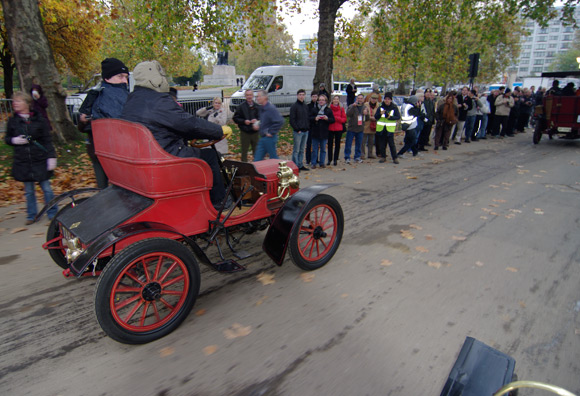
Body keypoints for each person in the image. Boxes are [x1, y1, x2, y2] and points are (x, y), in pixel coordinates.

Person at [121, 60, 230, 210]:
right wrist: (219, 130)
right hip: (164, 156)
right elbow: (188, 123)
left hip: (146, 153)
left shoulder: (132, 100)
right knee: (211, 156)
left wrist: (189, 136)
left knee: (199, 153)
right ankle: (219, 202)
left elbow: (162, 127)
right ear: (155, 78)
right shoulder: (158, 100)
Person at [5, 92, 58, 224]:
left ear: (27, 103)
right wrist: (14, 140)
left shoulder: (39, 119)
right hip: (23, 161)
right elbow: (7, 138)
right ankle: (31, 215)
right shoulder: (13, 121)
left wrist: (51, 157)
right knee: (29, 191)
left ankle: (53, 212)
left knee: (46, 188)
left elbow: (47, 139)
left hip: (39, 158)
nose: (15, 104)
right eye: (14, 101)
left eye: (18, 101)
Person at [78, 57, 129, 189]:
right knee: (115, 189)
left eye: (126, 77)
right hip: (106, 150)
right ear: (107, 78)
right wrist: (84, 121)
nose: (125, 81)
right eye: (120, 76)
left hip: (104, 150)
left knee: (107, 189)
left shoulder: (96, 93)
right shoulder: (101, 95)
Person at [253, 90, 284, 161]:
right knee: (257, 159)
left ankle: (280, 170)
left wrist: (271, 131)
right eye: (257, 96)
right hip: (263, 138)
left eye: (258, 96)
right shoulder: (262, 108)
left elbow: (280, 121)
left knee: (273, 159)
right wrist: (258, 124)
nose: (257, 98)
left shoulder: (270, 108)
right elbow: (266, 121)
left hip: (270, 138)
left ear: (265, 97)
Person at [233, 89, 260, 162]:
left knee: (256, 151)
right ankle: (244, 167)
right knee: (244, 151)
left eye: (250, 95)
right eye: (247, 95)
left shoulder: (257, 107)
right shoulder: (241, 107)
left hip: (255, 132)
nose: (249, 97)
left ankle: (257, 166)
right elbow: (235, 118)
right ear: (245, 96)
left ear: (253, 96)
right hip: (245, 131)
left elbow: (262, 118)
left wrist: (257, 121)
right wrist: (244, 121)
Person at [309, 94, 334, 168]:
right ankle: (313, 163)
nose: (321, 101)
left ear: (325, 101)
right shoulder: (314, 109)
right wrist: (314, 118)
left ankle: (322, 162)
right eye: (320, 100)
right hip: (315, 132)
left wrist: (327, 119)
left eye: (323, 100)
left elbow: (333, 120)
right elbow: (309, 118)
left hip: (324, 132)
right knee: (314, 149)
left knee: (323, 149)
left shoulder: (328, 110)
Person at [374, 92, 400, 164]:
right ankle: (383, 156)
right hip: (381, 128)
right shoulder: (380, 107)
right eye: (385, 99)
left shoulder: (394, 107)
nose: (387, 100)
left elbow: (398, 117)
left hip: (389, 129)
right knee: (382, 144)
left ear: (391, 100)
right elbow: (376, 117)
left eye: (388, 99)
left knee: (391, 144)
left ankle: (395, 158)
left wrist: (390, 117)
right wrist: (380, 113)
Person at [289, 89, 310, 171]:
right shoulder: (294, 106)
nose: (301, 96)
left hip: (305, 131)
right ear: (297, 96)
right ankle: (295, 165)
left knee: (302, 149)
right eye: (300, 95)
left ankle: (300, 164)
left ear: (304, 96)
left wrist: (308, 127)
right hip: (298, 131)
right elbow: (292, 119)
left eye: (303, 95)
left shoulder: (305, 106)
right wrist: (297, 129)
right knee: (296, 150)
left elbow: (307, 118)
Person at [344, 94, 368, 164]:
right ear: (356, 99)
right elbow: (348, 114)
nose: (360, 100)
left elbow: (367, 118)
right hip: (352, 128)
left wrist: (366, 114)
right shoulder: (352, 106)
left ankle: (357, 157)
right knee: (348, 144)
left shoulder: (365, 107)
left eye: (361, 98)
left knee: (359, 143)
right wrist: (353, 107)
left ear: (363, 100)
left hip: (360, 128)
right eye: (358, 98)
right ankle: (347, 157)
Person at [328, 95, 346, 166]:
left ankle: (335, 159)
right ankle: (329, 159)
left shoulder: (341, 109)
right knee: (330, 144)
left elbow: (344, 119)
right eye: (334, 99)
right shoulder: (329, 108)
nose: (336, 100)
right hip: (330, 128)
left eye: (337, 99)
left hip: (339, 128)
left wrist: (337, 119)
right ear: (332, 100)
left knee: (337, 144)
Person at [362, 93, 380, 159]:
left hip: (373, 125)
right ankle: (362, 154)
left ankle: (370, 153)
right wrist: (370, 117)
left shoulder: (378, 106)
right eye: (372, 99)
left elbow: (379, 114)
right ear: (370, 99)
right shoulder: (365, 105)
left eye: (375, 99)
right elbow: (363, 113)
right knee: (363, 141)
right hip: (366, 124)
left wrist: (375, 118)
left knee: (371, 141)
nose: (373, 100)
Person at [305, 92, 319, 166]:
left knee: (316, 145)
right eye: (313, 96)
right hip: (310, 127)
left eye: (316, 97)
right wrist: (314, 118)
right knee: (309, 144)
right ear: (311, 97)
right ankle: (308, 159)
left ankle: (315, 159)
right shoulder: (308, 106)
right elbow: (307, 117)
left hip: (317, 128)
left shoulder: (319, 106)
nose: (314, 98)